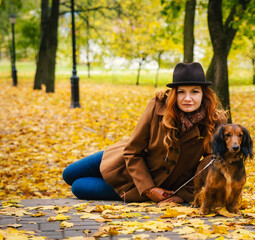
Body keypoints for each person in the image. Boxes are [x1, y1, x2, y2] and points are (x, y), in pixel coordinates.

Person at [62, 62, 228, 204]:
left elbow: (215, 165)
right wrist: (149, 190)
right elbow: (133, 150)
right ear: (174, 94)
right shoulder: (157, 106)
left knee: (78, 187)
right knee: (68, 174)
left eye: (194, 91)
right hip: (125, 159)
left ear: (204, 94)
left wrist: (182, 195)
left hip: (139, 185)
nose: (187, 98)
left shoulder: (215, 122)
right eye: (181, 92)